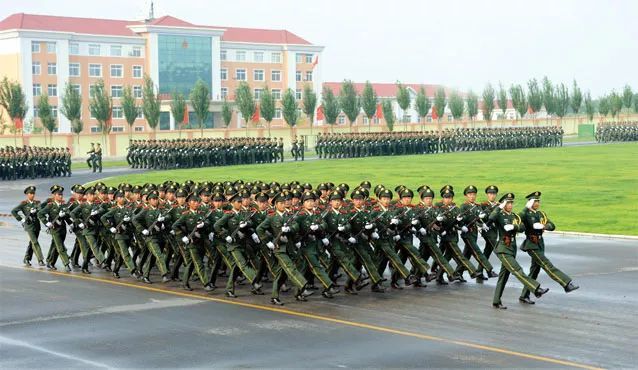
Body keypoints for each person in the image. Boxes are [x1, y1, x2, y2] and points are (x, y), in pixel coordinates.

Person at [489, 193, 549, 309]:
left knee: (504, 275)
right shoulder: (499, 215)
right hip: (503, 248)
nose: (510, 205)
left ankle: (496, 301)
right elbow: (491, 218)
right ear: (503, 204)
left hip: (512, 247)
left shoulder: (515, 216)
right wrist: (499, 207)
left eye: (511, 203)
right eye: (508, 203)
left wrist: (514, 227)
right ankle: (536, 288)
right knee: (517, 270)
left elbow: (522, 227)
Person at [518, 192, 579, 304]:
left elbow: (552, 225)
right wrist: (526, 208)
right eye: (535, 201)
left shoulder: (541, 214)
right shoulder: (525, 214)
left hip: (540, 243)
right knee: (547, 264)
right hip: (531, 244)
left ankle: (524, 295)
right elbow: (518, 219)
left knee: (534, 271)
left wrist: (544, 226)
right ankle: (565, 283)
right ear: (530, 202)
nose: (537, 203)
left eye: (538, 201)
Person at [11, 186, 45, 266]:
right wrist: (21, 220)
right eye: (31, 193)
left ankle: (26, 258)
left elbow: (40, 210)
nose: (32, 195)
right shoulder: (24, 204)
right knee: (35, 242)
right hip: (29, 226)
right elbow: (13, 211)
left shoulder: (37, 203)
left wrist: (36, 211)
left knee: (32, 243)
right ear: (27, 194)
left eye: (33, 193)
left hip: (37, 225)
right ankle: (40, 260)